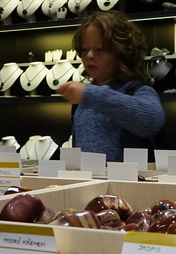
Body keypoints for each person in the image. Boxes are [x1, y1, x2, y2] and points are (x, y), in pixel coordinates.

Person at [57, 10, 165, 162]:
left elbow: (151, 122)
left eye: (99, 49)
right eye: (84, 49)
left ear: (121, 51)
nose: (89, 55)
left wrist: (91, 94)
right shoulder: (82, 99)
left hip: (127, 178)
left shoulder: (136, 90)